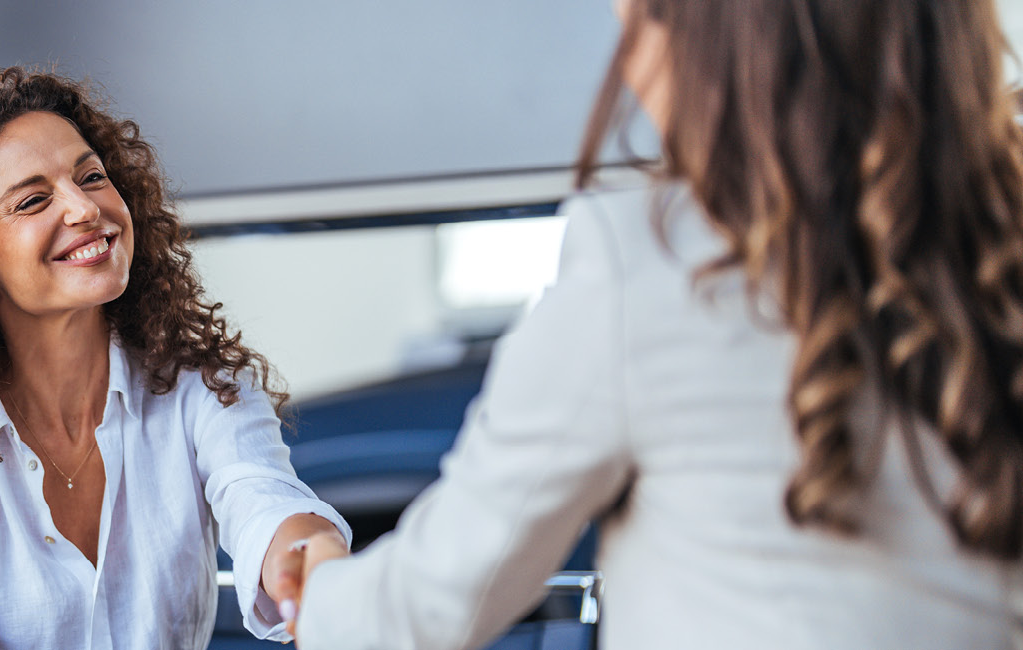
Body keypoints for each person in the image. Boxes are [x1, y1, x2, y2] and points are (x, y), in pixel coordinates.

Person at [288, 0, 1023, 648]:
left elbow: (421, 611)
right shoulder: (1000, 258)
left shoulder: (652, 261)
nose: (620, 20)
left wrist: (315, 583)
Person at [0, 67, 350, 648]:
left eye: (91, 177)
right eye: (34, 200)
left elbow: (261, 497)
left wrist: (312, 557)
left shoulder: (202, 385)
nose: (84, 208)